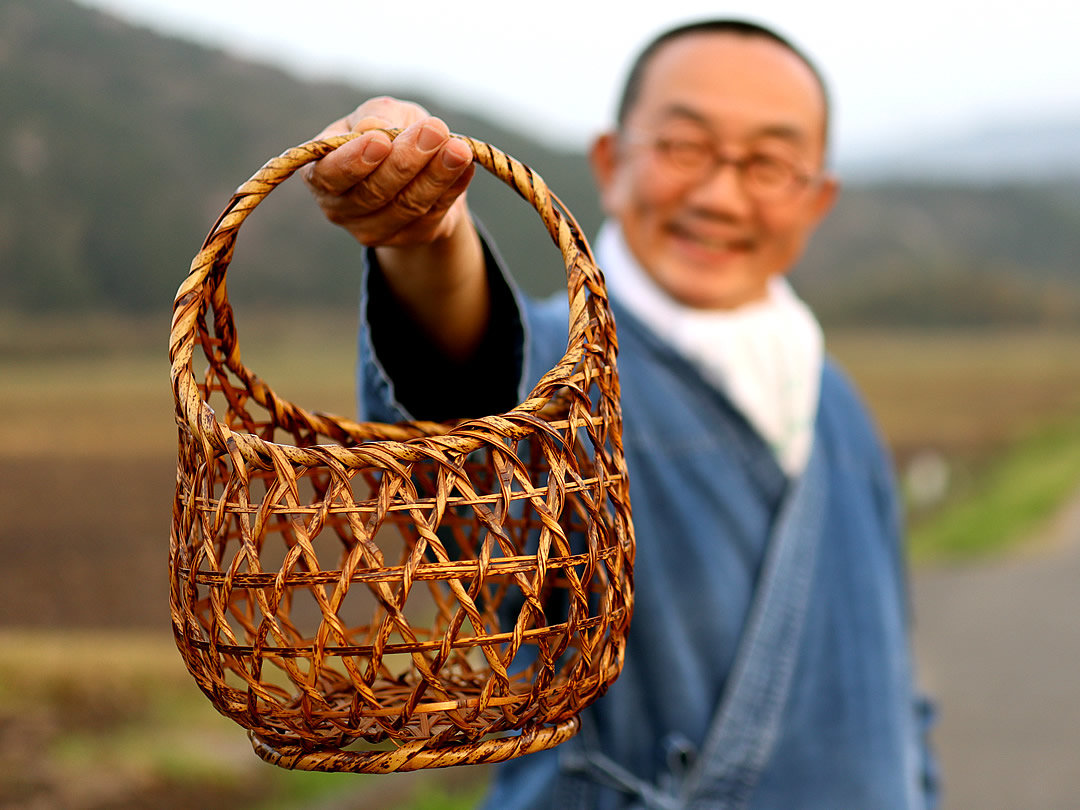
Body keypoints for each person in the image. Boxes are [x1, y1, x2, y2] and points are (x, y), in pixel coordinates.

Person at [303, 19, 938, 809]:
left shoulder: (835, 401)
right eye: (682, 147)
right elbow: (464, 392)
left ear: (817, 199)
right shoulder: (558, 367)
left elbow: (894, 686)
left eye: (770, 163)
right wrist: (427, 239)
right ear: (610, 162)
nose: (719, 195)